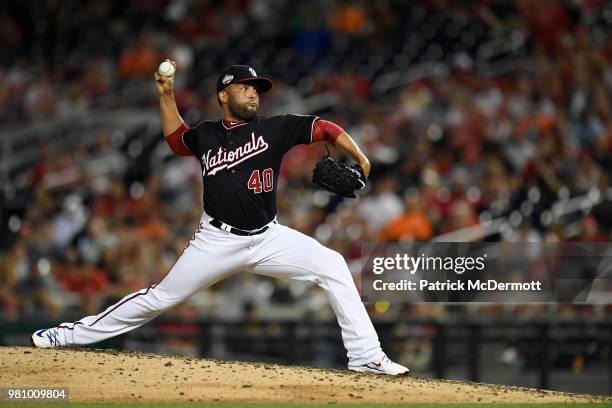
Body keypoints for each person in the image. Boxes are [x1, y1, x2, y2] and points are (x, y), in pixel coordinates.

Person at [31, 62, 409, 376]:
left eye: (256, 88)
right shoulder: (208, 135)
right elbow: (177, 140)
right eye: (245, 87)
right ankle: (66, 335)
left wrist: (360, 157)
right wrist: (166, 95)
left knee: (333, 265)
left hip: (268, 238)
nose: (253, 93)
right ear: (223, 95)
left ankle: (365, 355)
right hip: (217, 240)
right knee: (158, 298)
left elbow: (324, 128)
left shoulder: (274, 128)